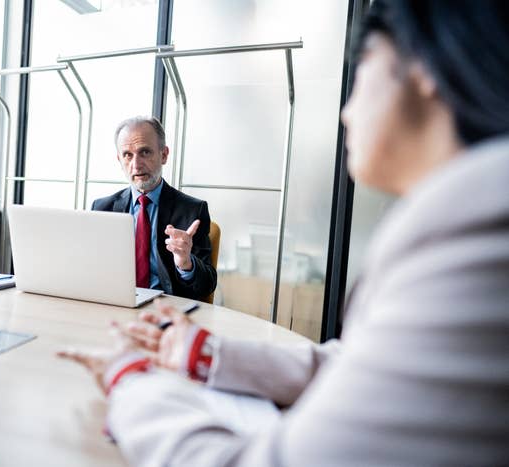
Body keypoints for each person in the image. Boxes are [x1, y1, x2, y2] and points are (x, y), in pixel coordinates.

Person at [59, 1, 509, 465]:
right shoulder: (458, 230)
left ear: (424, 69)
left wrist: (129, 380)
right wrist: (204, 351)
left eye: (361, 76)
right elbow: (355, 365)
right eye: (127, 155)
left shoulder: (478, 245)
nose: (346, 113)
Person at [91, 116, 217, 301]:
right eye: (128, 155)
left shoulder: (192, 211)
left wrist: (185, 263)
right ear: (119, 159)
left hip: (166, 308)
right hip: (115, 304)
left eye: (145, 152)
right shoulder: (103, 208)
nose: (136, 164)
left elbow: (207, 285)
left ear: (164, 154)